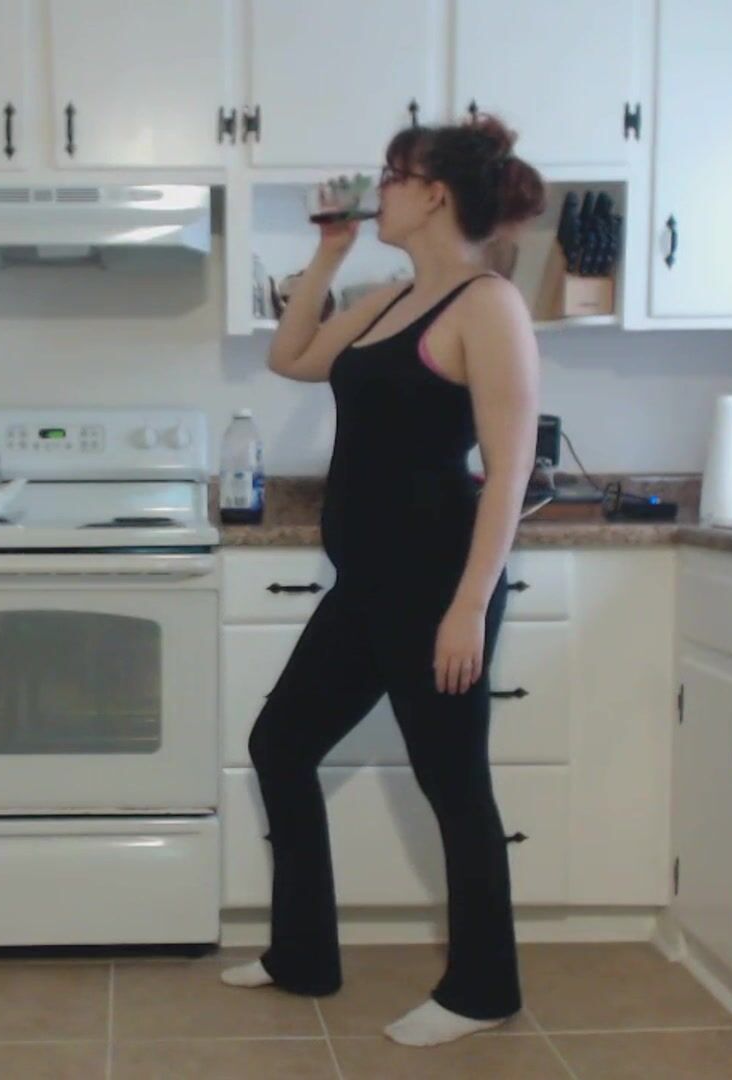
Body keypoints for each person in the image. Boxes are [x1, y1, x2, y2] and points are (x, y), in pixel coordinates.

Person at [219, 115, 546, 1048]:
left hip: (438, 587)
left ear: (435, 193)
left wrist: (469, 608)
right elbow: (291, 359)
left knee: (454, 784)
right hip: (364, 585)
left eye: (393, 178)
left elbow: (510, 470)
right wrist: (329, 253)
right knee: (281, 745)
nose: (381, 192)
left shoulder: (488, 305)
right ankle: (302, 955)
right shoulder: (393, 296)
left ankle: (483, 989)